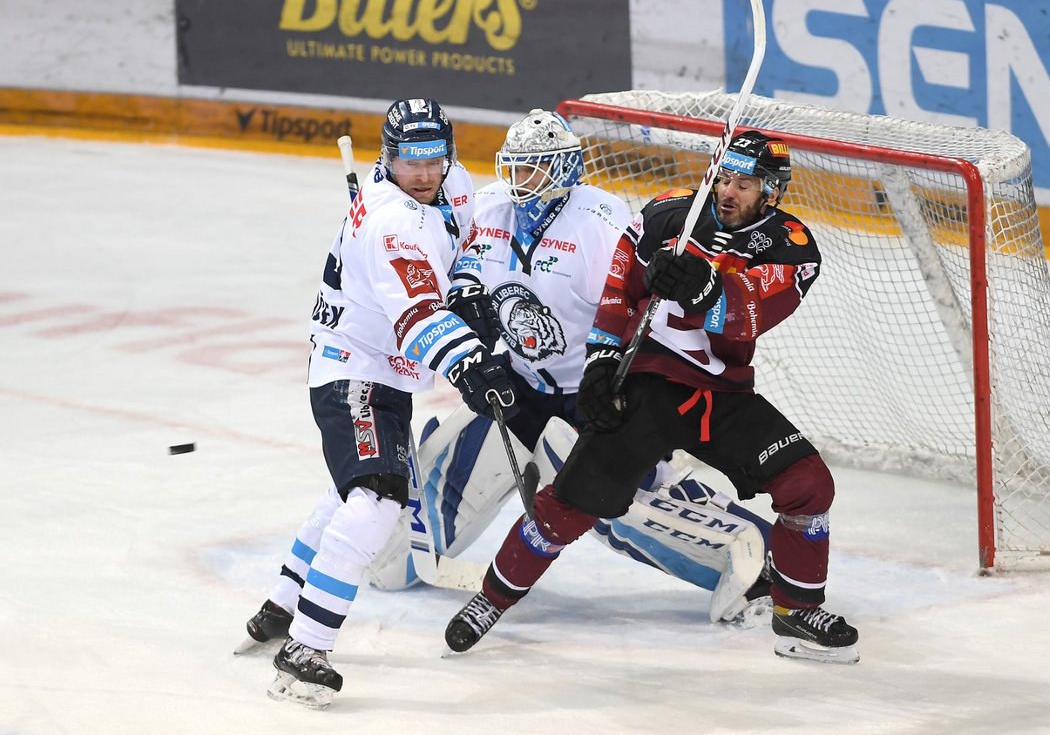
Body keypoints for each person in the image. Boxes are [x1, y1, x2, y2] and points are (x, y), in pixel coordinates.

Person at [444, 129, 861, 665]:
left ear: (771, 190)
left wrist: (704, 287)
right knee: (568, 505)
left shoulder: (792, 244)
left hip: (722, 395)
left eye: (745, 184)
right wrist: (599, 363)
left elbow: (754, 311)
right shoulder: (669, 216)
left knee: (807, 484)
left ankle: (796, 613)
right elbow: (620, 290)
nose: (729, 193)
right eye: (723, 179)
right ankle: (490, 600)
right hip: (647, 384)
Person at [366, 110, 774, 623]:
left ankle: (748, 548)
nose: (519, 181)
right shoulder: (490, 207)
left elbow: (642, 309)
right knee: (392, 562)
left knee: (613, 512)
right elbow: (431, 246)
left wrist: (636, 393)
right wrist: (460, 295)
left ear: (561, 171)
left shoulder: (601, 223)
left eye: (531, 169)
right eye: (513, 168)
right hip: (516, 387)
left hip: (594, 394)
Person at [238, 98, 519, 710]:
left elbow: (467, 241)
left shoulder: (451, 183)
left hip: (386, 373)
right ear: (385, 158)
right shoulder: (393, 222)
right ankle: (307, 648)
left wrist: (467, 288)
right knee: (374, 499)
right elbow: (418, 318)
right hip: (354, 370)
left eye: (433, 158)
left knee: (351, 491)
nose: (423, 172)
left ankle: (282, 605)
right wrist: (472, 361)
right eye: (407, 160)